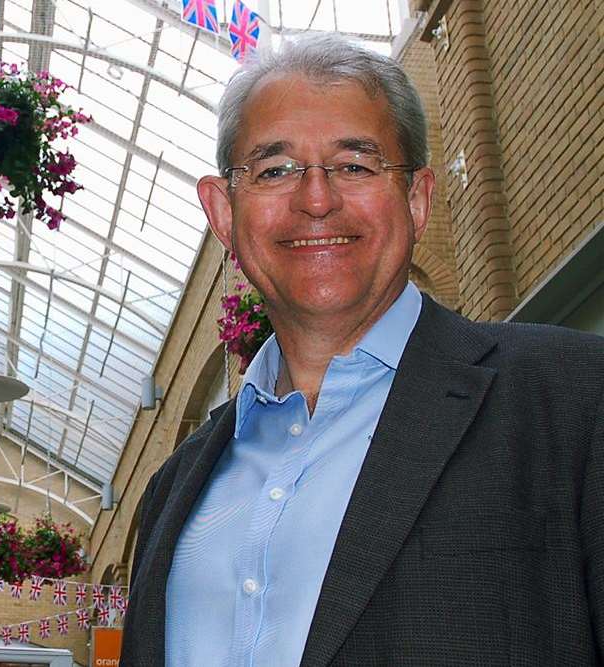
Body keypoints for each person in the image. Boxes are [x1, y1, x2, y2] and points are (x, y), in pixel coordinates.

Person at [120, 33, 603, 666]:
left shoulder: (574, 402)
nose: (316, 200)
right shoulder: (173, 488)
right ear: (223, 211)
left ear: (418, 198)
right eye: (274, 170)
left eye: (354, 165)